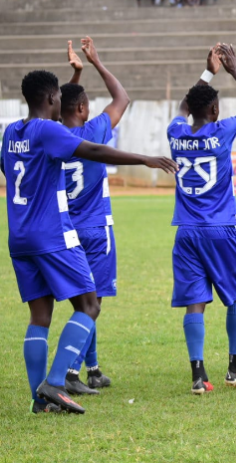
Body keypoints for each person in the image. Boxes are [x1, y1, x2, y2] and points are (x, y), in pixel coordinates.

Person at [2, 70, 175, 414]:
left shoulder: (11, 132)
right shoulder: (48, 129)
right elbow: (93, 149)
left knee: (39, 316)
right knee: (89, 305)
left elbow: (8, 168)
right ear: (52, 100)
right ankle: (53, 383)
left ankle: (40, 402)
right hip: (51, 234)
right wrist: (143, 158)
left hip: (18, 236)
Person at [168, 44, 236, 395]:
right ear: (214, 109)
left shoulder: (176, 133)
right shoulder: (221, 132)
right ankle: (234, 368)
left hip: (186, 230)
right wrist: (234, 70)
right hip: (221, 228)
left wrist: (208, 71)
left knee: (196, 300)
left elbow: (182, 106)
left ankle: (197, 374)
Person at [57, 38, 131, 396]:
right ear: (84, 108)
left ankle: (93, 368)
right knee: (94, 303)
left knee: (83, 302)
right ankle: (70, 372)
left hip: (63, 231)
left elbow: (60, 108)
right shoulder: (93, 132)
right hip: (95, 229)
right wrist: (97, 63)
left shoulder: (52, 136)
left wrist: (76, 73)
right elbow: (122, 99)